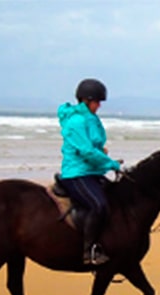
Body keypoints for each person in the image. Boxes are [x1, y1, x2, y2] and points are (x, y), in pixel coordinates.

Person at [57, 78, 122, 265]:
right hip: (76, 173)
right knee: (98, 205)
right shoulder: (76, 121)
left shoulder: (91, 118)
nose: (99, 105)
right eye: (97, 102)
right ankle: (89, 251)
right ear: (86, 100)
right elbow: (86, 151)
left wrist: (104, 156)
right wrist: (111, 164)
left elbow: (94, 146)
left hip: (91, 171)